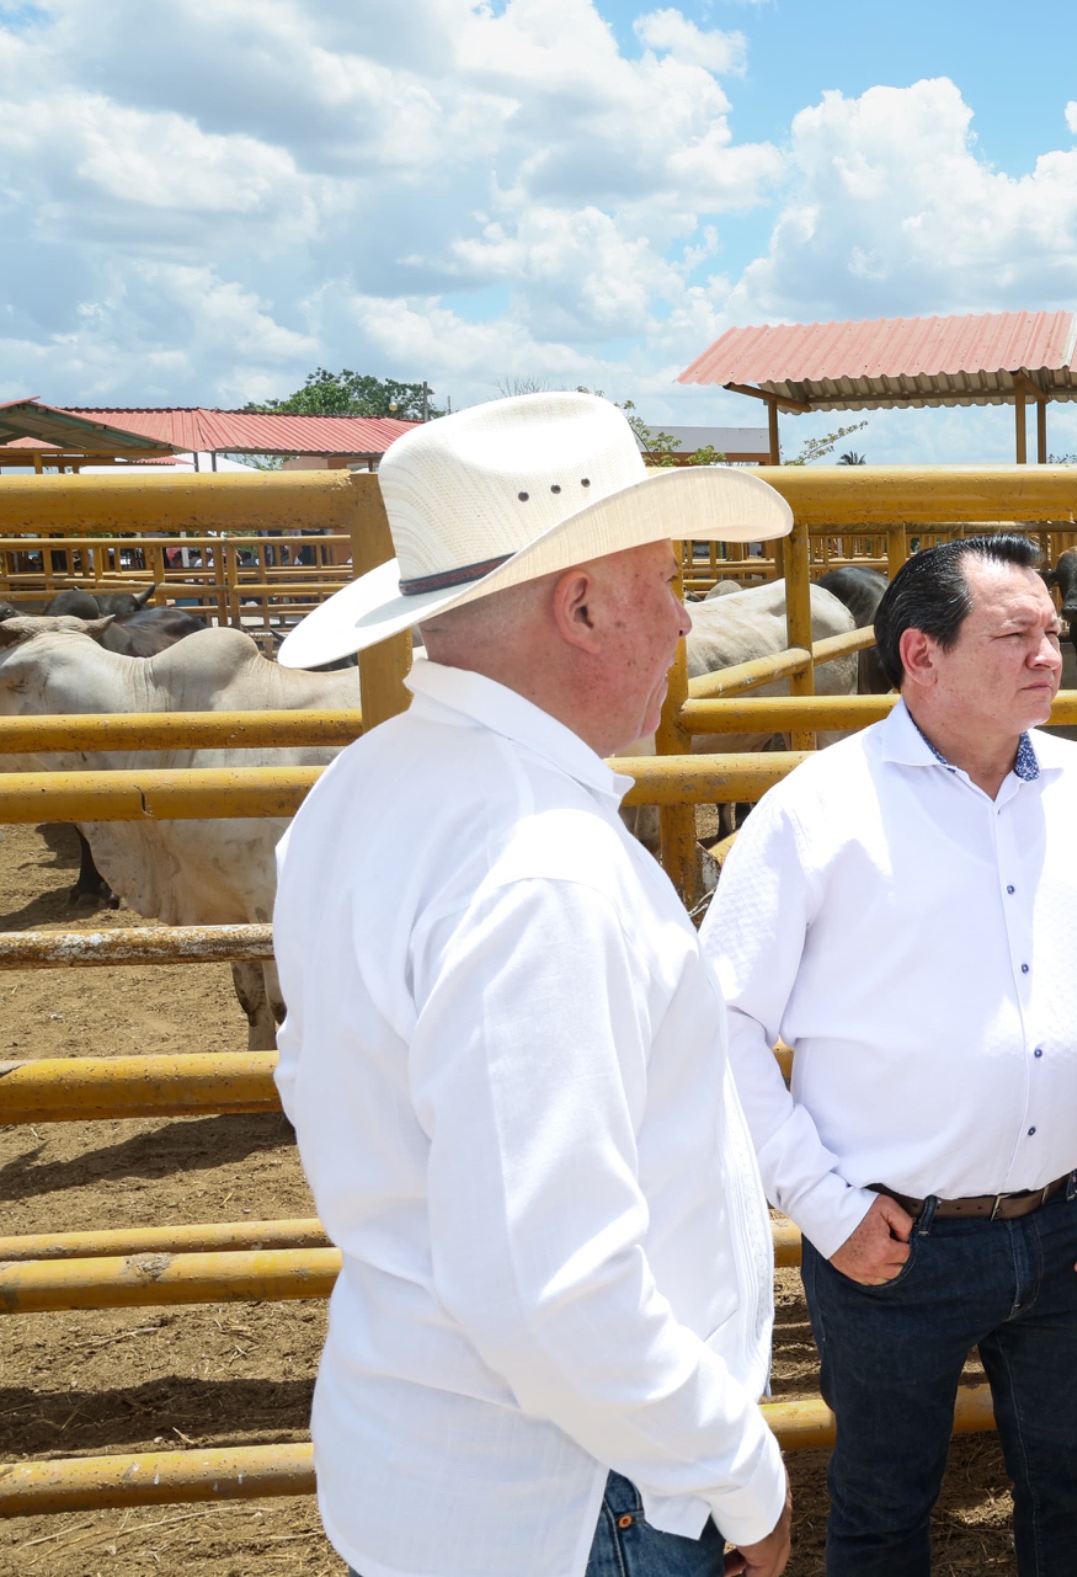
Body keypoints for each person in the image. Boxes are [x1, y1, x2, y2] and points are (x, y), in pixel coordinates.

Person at [271, 391, 797, 1577]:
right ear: (585, 603)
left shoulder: (363, 788)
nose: (680, 617)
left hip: (433, 1462)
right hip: (575, 1500)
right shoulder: (544, 867)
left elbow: (322, 1089)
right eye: (664, 578)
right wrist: (741, 1473)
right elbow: (552, 1293)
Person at [700, 532, 1077, 1577]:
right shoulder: (814, 809)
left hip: (1075, 1221)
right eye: (1017, 633)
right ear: (920, 653)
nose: (1051, 653)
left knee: (1073, 1494)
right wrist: (823, 1205)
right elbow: (719, 1019)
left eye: (1052, 631)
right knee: (881, 1506)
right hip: (890, 1240)